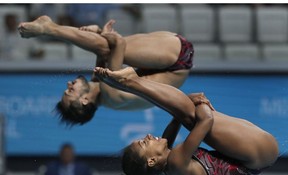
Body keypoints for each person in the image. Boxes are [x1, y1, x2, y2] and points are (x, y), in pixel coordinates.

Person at [92, 66, 279, 175]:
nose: (148, 136)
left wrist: (191, 101)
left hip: (255, 157)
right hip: (256, 154)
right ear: (151, 160)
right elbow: (206, 120)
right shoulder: (175, 163)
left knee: (185, 115)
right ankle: (131, 82)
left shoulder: (166, 169)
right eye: (143, 143)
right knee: (190, 115)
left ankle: (132, 83)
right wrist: (202, 102)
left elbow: (175, 122)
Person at [17, 15, 194, 126]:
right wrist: (100, 34)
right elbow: (117, 44)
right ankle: (49, 28)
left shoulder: (102, 87)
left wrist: (99, 32)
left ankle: (50, 28)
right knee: (106, 48)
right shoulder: (111, 92)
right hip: (176, 60)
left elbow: (108, 48)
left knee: (104, 47)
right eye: (71, 90)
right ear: (85, 100)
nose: (69, 83)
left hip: (172, 57)